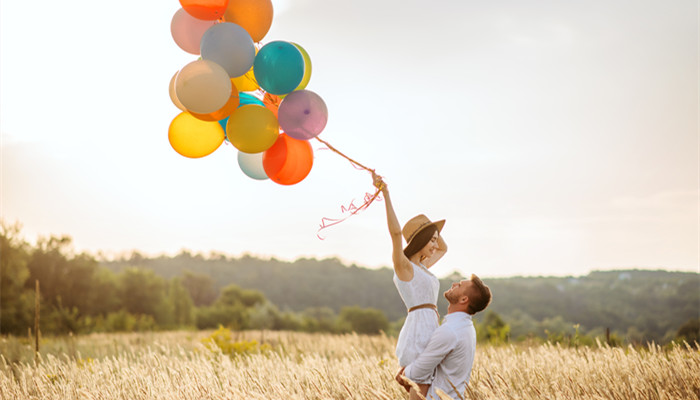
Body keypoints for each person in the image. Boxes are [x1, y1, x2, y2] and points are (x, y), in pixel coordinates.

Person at [372, 172, 448, 400]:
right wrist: (385, 193)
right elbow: (396, 234)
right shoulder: (405, 268)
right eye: (431, 240)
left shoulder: (424, 268)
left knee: (429, 393)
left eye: (436, 239)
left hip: (431, 328)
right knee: (420, 392)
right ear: (421, 241)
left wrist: (432, 232)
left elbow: (444, 248)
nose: (436, 245)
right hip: (419, 332)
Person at [396, 274, 492, 400]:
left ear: (464, 299)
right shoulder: (466, 327)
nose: (454, 284)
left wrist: (403, 372)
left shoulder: (450, 330)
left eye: (459, 285)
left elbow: (418, 372)